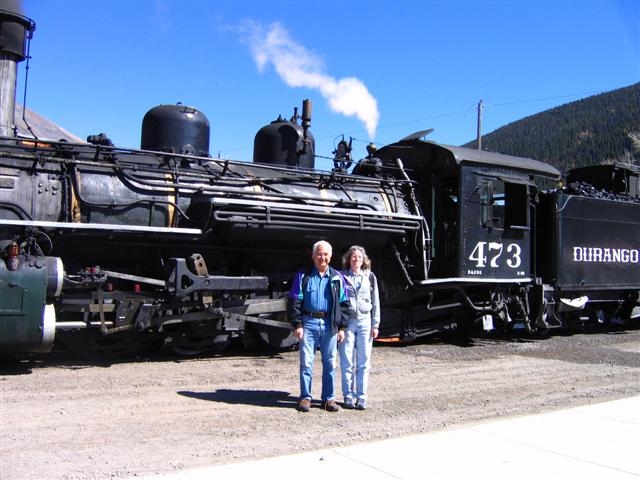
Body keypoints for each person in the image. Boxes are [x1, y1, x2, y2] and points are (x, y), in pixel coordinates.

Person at [288, 240, 350, 412]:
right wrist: (297, 324)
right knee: (306, 363)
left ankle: (328, 399)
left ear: (330, 257)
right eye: (319, 254)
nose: (322, 257)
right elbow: (294, 301)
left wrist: (342, 327)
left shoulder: (337, 277)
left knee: (330, 363)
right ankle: (305, 397)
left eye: (325, 254)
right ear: (313, 256)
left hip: (330, 324)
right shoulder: (303, 276)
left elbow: (345, 304)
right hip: (308, 323)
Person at [338, 245, 380, 410]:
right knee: (347, 361)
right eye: (354, 257)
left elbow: (375, 301)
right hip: (348, 322)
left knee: (364, 362)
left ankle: (361, 397)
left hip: (365, 321)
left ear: (364, 261)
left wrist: (375, 324)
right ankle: (348, 396)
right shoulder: (342, 277)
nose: (356, 260)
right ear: (349, 259)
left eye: (359, 257)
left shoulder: (370, 277)